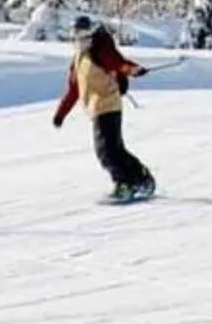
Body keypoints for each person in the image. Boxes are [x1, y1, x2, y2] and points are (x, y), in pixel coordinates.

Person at [53, 15, 157, 201]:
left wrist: (134, 70)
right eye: (76, 36)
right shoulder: (78, 59)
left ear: (91, 34)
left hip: (108, 104)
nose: (79, 40)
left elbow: (118, 63)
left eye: (83, 36)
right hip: (96, 108)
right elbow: (74, 90)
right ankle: (141, 178)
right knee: (113, 150)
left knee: (107, 152)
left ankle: (125, 184)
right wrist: (61, 114)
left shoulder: (100, 51)